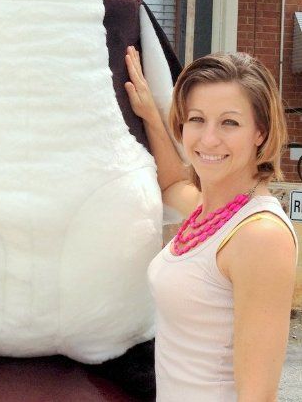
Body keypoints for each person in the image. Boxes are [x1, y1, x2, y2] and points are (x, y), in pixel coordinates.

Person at [124, 47, 297, 402]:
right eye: (197, 119)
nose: (208, 139)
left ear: (260, 133)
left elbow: (258, 396)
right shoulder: (211, 212)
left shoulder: (259, 235)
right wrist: (150, 116)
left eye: (229, 122)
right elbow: (173, 183)